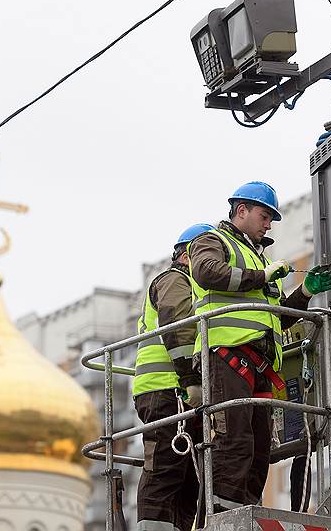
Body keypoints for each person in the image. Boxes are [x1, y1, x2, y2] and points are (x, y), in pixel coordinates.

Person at [187, 181, 331, 513]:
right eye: (265, 217)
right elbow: (208, 273)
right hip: (225, 355)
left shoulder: (258, 261)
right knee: (234, 442)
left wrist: (305, 293)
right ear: (242, 211)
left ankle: (248, 514)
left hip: (259, 365)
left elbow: (276, 319)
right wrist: (262, 275)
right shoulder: (211, 241)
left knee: (259, 448)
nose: (268, 226)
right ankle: (224, 517)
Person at [133, 223, 213, 531]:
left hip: (177, 390)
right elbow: (178, 328)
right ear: (185, 256)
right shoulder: (175, 281)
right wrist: (190, 380)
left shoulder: (193, 289)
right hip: (165, 388)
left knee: (187, 477)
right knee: (165, 465)